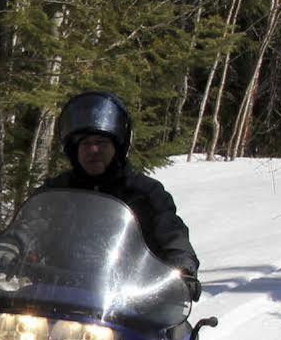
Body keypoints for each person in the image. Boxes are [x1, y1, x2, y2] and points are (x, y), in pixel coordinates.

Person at [36, 90, 201, 300]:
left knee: (172, 332)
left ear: (118, 147)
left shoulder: (145, 192)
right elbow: (31, 224)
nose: (93, 149)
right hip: (55, 292)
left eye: (102, 142)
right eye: (85, 143)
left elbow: (171, 233)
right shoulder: (56, 192)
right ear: (73, 150)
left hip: (130, 298)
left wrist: (183, 269)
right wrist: (10, 246)